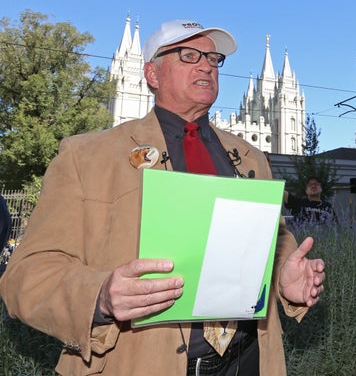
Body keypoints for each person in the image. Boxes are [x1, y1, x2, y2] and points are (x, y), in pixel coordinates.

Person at [0, 19, 325, 375]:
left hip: (248, 360)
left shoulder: (251, 158)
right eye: (189, 55)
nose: (206, 65)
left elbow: (273, 244)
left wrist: (283, 278)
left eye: (213, 59)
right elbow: (26, 276)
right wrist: (101, 295)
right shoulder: (87, 157)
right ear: (152, 74)